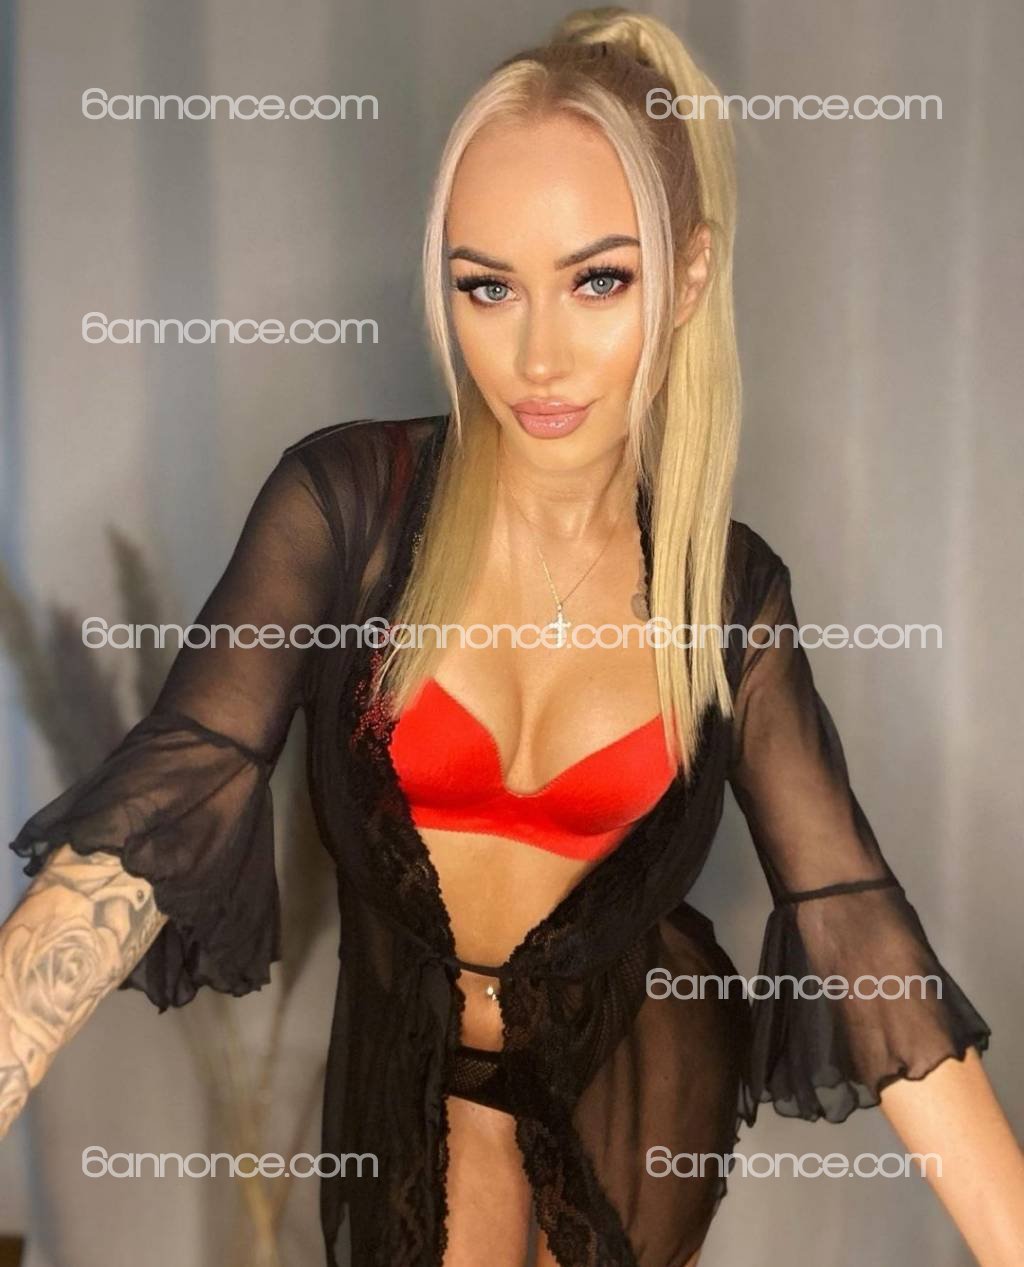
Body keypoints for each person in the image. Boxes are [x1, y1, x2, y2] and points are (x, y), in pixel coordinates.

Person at [2, 9, 1022, 1267]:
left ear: (689, 275)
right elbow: (154, 817)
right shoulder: (347, 509)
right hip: (413, 1048)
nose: (537, 356)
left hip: (633, 1059)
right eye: (487, 286)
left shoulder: (726, 596)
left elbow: (855, 924)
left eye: (599, 281)